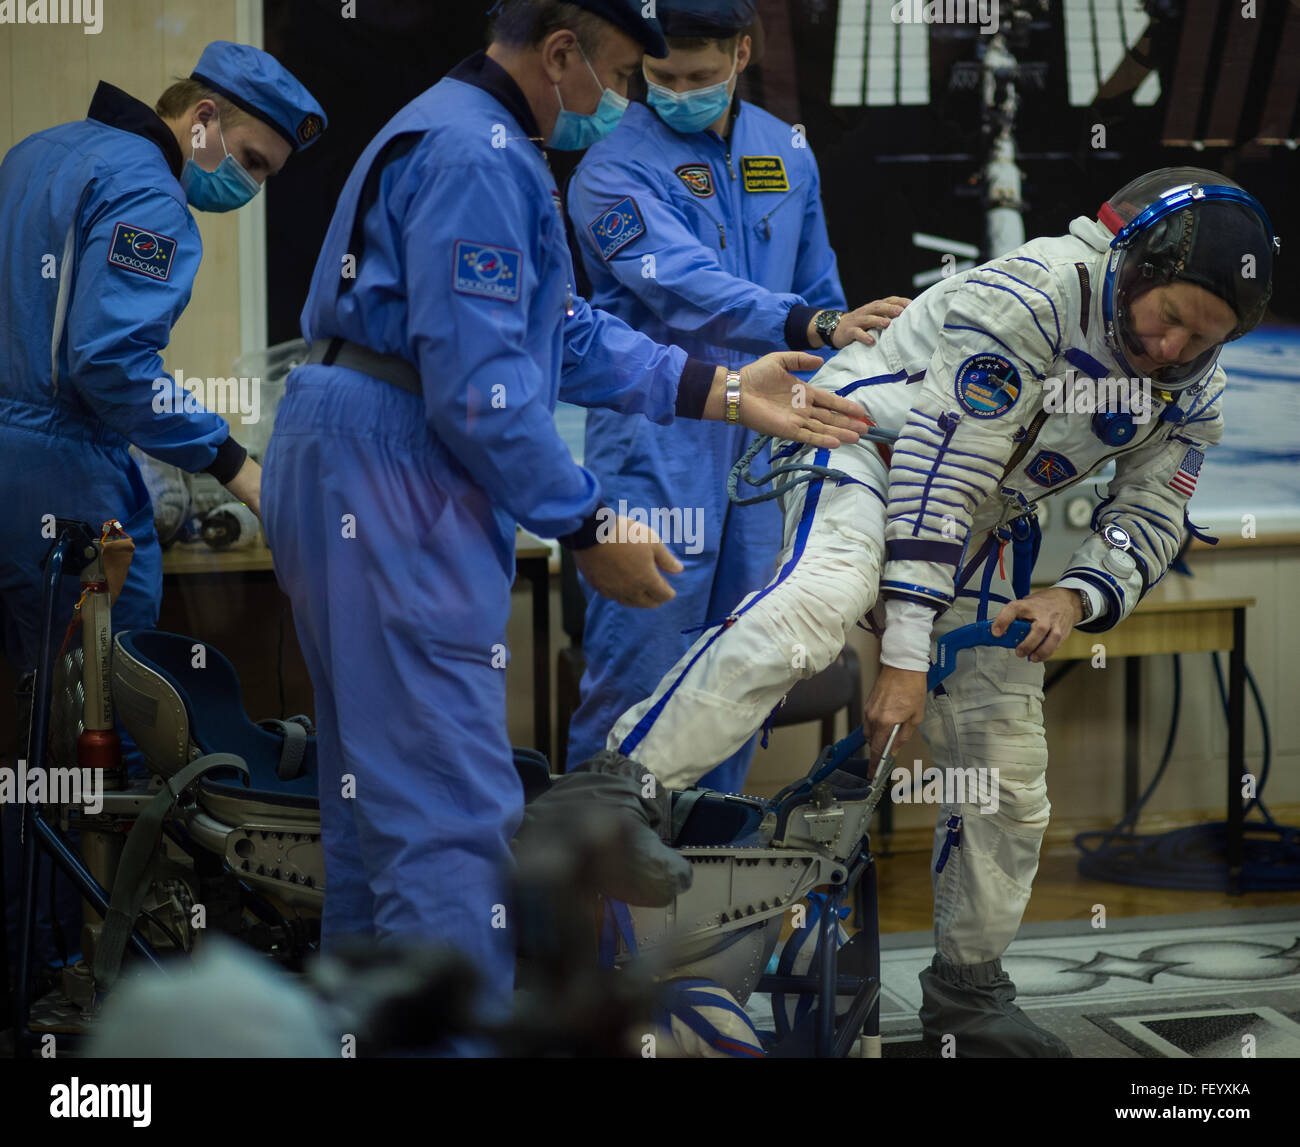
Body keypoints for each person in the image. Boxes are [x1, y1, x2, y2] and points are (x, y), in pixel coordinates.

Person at [259, 0, 865, 1035]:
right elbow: (483, 387)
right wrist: (586, 525)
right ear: (559, 54)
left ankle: (374, 1032)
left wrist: (723, 390)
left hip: (360, 447)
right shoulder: (479, 155)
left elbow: (560, 331)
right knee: (452, 820)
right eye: (626, 74)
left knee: (373, 812)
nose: (626, 100)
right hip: (393, 460)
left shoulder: (471, 136)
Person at [604, 167, 1278, 1056]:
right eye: (1171, 316)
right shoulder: (1034, 294)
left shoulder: (1194, 386)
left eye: (1201, 338)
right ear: (1136, 265)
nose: (1170, 349)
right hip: (870, 450)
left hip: (986, 520)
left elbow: (1153, 511)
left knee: (1006, 765)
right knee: (818, 608)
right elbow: (937, 478)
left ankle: (968, 991)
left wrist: (1074, 594)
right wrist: (904, 659)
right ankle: (614, 796)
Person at [0, 41, 325, 972]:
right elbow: (109, 368)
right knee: (106, 740)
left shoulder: (38, 153)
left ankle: (30, 964)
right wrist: (239, 467)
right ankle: (86, 977)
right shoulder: (150, 193)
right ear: (204, 121)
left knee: (37, 737)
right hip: (63, 477)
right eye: (252, 163)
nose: (250, 188)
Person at [562, 0, 909, 792]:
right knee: (639, 682)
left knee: (738, 681)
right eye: (660, 75)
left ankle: (701, 903)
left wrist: (851, 383)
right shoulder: (610, 163)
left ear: (743, 53)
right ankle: (602, 900)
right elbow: (687, 288)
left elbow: (824, 292)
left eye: (699, 74)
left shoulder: (785, 150)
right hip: (661, 439)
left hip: (774, 443)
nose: (678, 89)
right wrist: (807, 321)